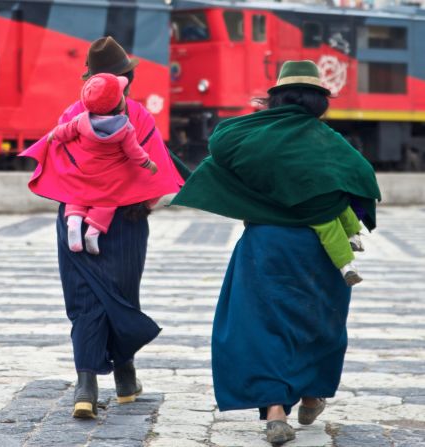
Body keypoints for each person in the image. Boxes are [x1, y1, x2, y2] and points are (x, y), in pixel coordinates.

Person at [172, 60, 381, 445]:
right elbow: (362, 178)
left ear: (278, 97)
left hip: (265, 245)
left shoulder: (249, 136)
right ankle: (312, 393)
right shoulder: (329, 142)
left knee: (261, 325)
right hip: (320, 252)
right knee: (319, 322)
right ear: (319, 101)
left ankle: (274, 412)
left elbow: (219, 146)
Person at [21, 36, 188, 419]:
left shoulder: (71, 115)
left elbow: (55, 158)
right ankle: (126, 379)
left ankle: (86, 386)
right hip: (125, 220)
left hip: (73, 220)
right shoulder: (138, 116)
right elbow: (154, 167)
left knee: (83, 301)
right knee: (121, 296)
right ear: (126, 79)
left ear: (90, 81)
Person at [45, 73, 158, 255]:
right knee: (107, 202)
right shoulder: (125, 128)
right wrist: (147, 163)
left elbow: (65, 131)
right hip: (108, 179)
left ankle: (74, 221)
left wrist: (53, 134)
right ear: (118, 103)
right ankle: (93, 232)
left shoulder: (82, 119)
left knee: (77, 196)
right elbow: (134, 151)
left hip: (83, 171)